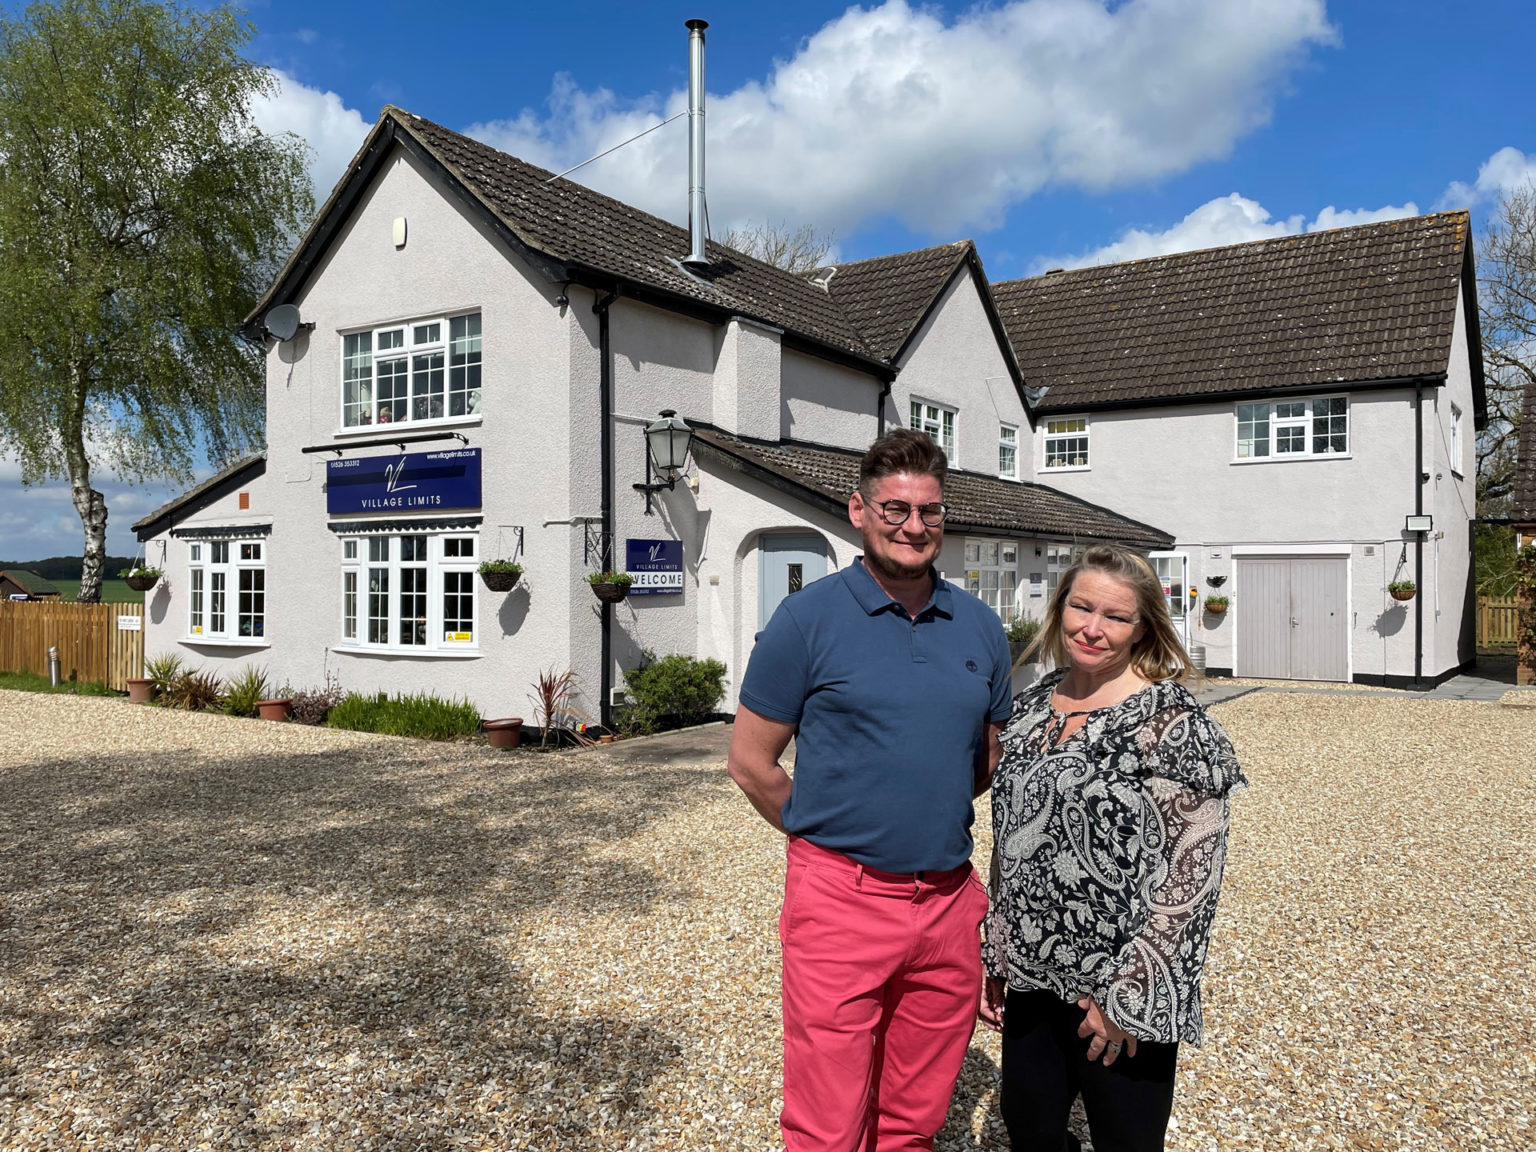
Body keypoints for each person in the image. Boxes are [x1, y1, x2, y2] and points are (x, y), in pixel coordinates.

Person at [728, 428, 1012, 1152]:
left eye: (930, 511)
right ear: (858, 510)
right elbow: (752, 763)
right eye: (894, 508)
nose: (914, 526)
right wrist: (827, 837)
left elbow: (983, 759)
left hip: (949, 903)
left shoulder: (980, 626)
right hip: (840, 901)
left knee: (914, 1121)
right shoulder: (806, 619)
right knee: (827, 1122)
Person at [979, 545, 1247, 1152]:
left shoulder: (1173, 724)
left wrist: (1128, 997)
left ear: (1143, 628)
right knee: (1032, 1133)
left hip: (1117, 991)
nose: (1092, 629)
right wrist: (995, 949)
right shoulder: (1026, 710)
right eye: (1081, 607)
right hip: (1030, 979)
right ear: (1060, 607)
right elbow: (1010, 843)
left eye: (1116, 617)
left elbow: (1193, 875)